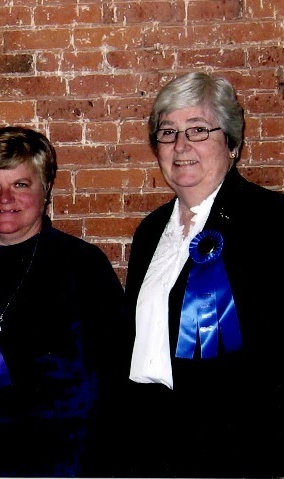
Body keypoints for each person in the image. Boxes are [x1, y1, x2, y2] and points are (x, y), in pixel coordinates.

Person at [0, 126, 127, 476]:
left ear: (46, 188)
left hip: (56, 463)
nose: (5, 199)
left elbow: (114, 372)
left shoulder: (83, 264)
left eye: (20, 184)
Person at [124, 71, 284, 477]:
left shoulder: (272, 221)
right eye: (168, 132)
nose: (181, 146)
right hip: (152, 439)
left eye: (198, 129)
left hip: (236, 446)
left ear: (231, 143)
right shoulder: (150, 231)